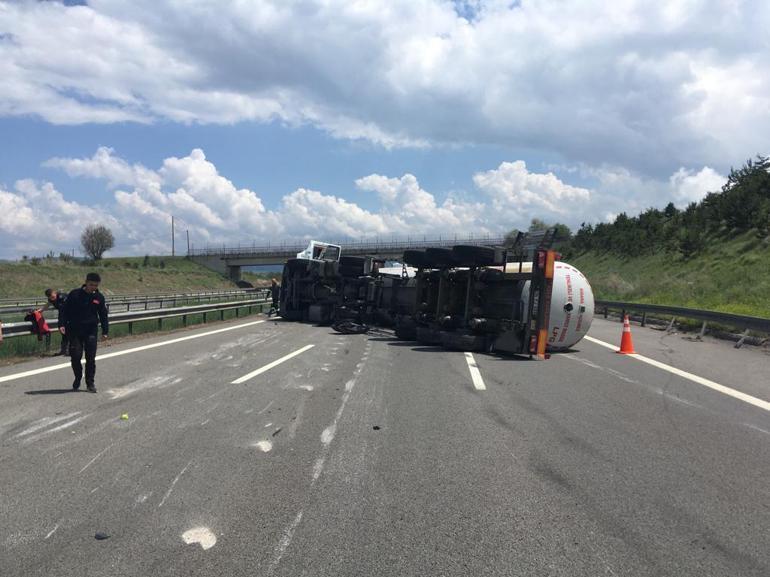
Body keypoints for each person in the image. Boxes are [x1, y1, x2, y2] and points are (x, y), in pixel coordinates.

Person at [59, 272, 109, 393]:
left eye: (96, 285)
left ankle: (90, 383)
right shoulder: (74, 294)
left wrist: (105, 331)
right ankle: (78, 376)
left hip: (91, 331)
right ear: (86, 282)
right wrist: (61, 324)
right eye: (91, 284)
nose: (93, 287)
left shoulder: (99, 297)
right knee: (75, 356)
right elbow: (64, 310)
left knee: (90, 358)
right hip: (74, 331)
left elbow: (103, 315)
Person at [38, 288, 68, 355]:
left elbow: (64, 309)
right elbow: (48, 304)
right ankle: (64, 350)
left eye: (53, 297)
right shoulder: (51, 299)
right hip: (62, 315)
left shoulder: (62, 297)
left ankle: (71, 348)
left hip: (70, 314)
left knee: (69, 331)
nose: (52, 299)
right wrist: (41, 310)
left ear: (55, 293)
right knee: (63, 332)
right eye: (50, 298)